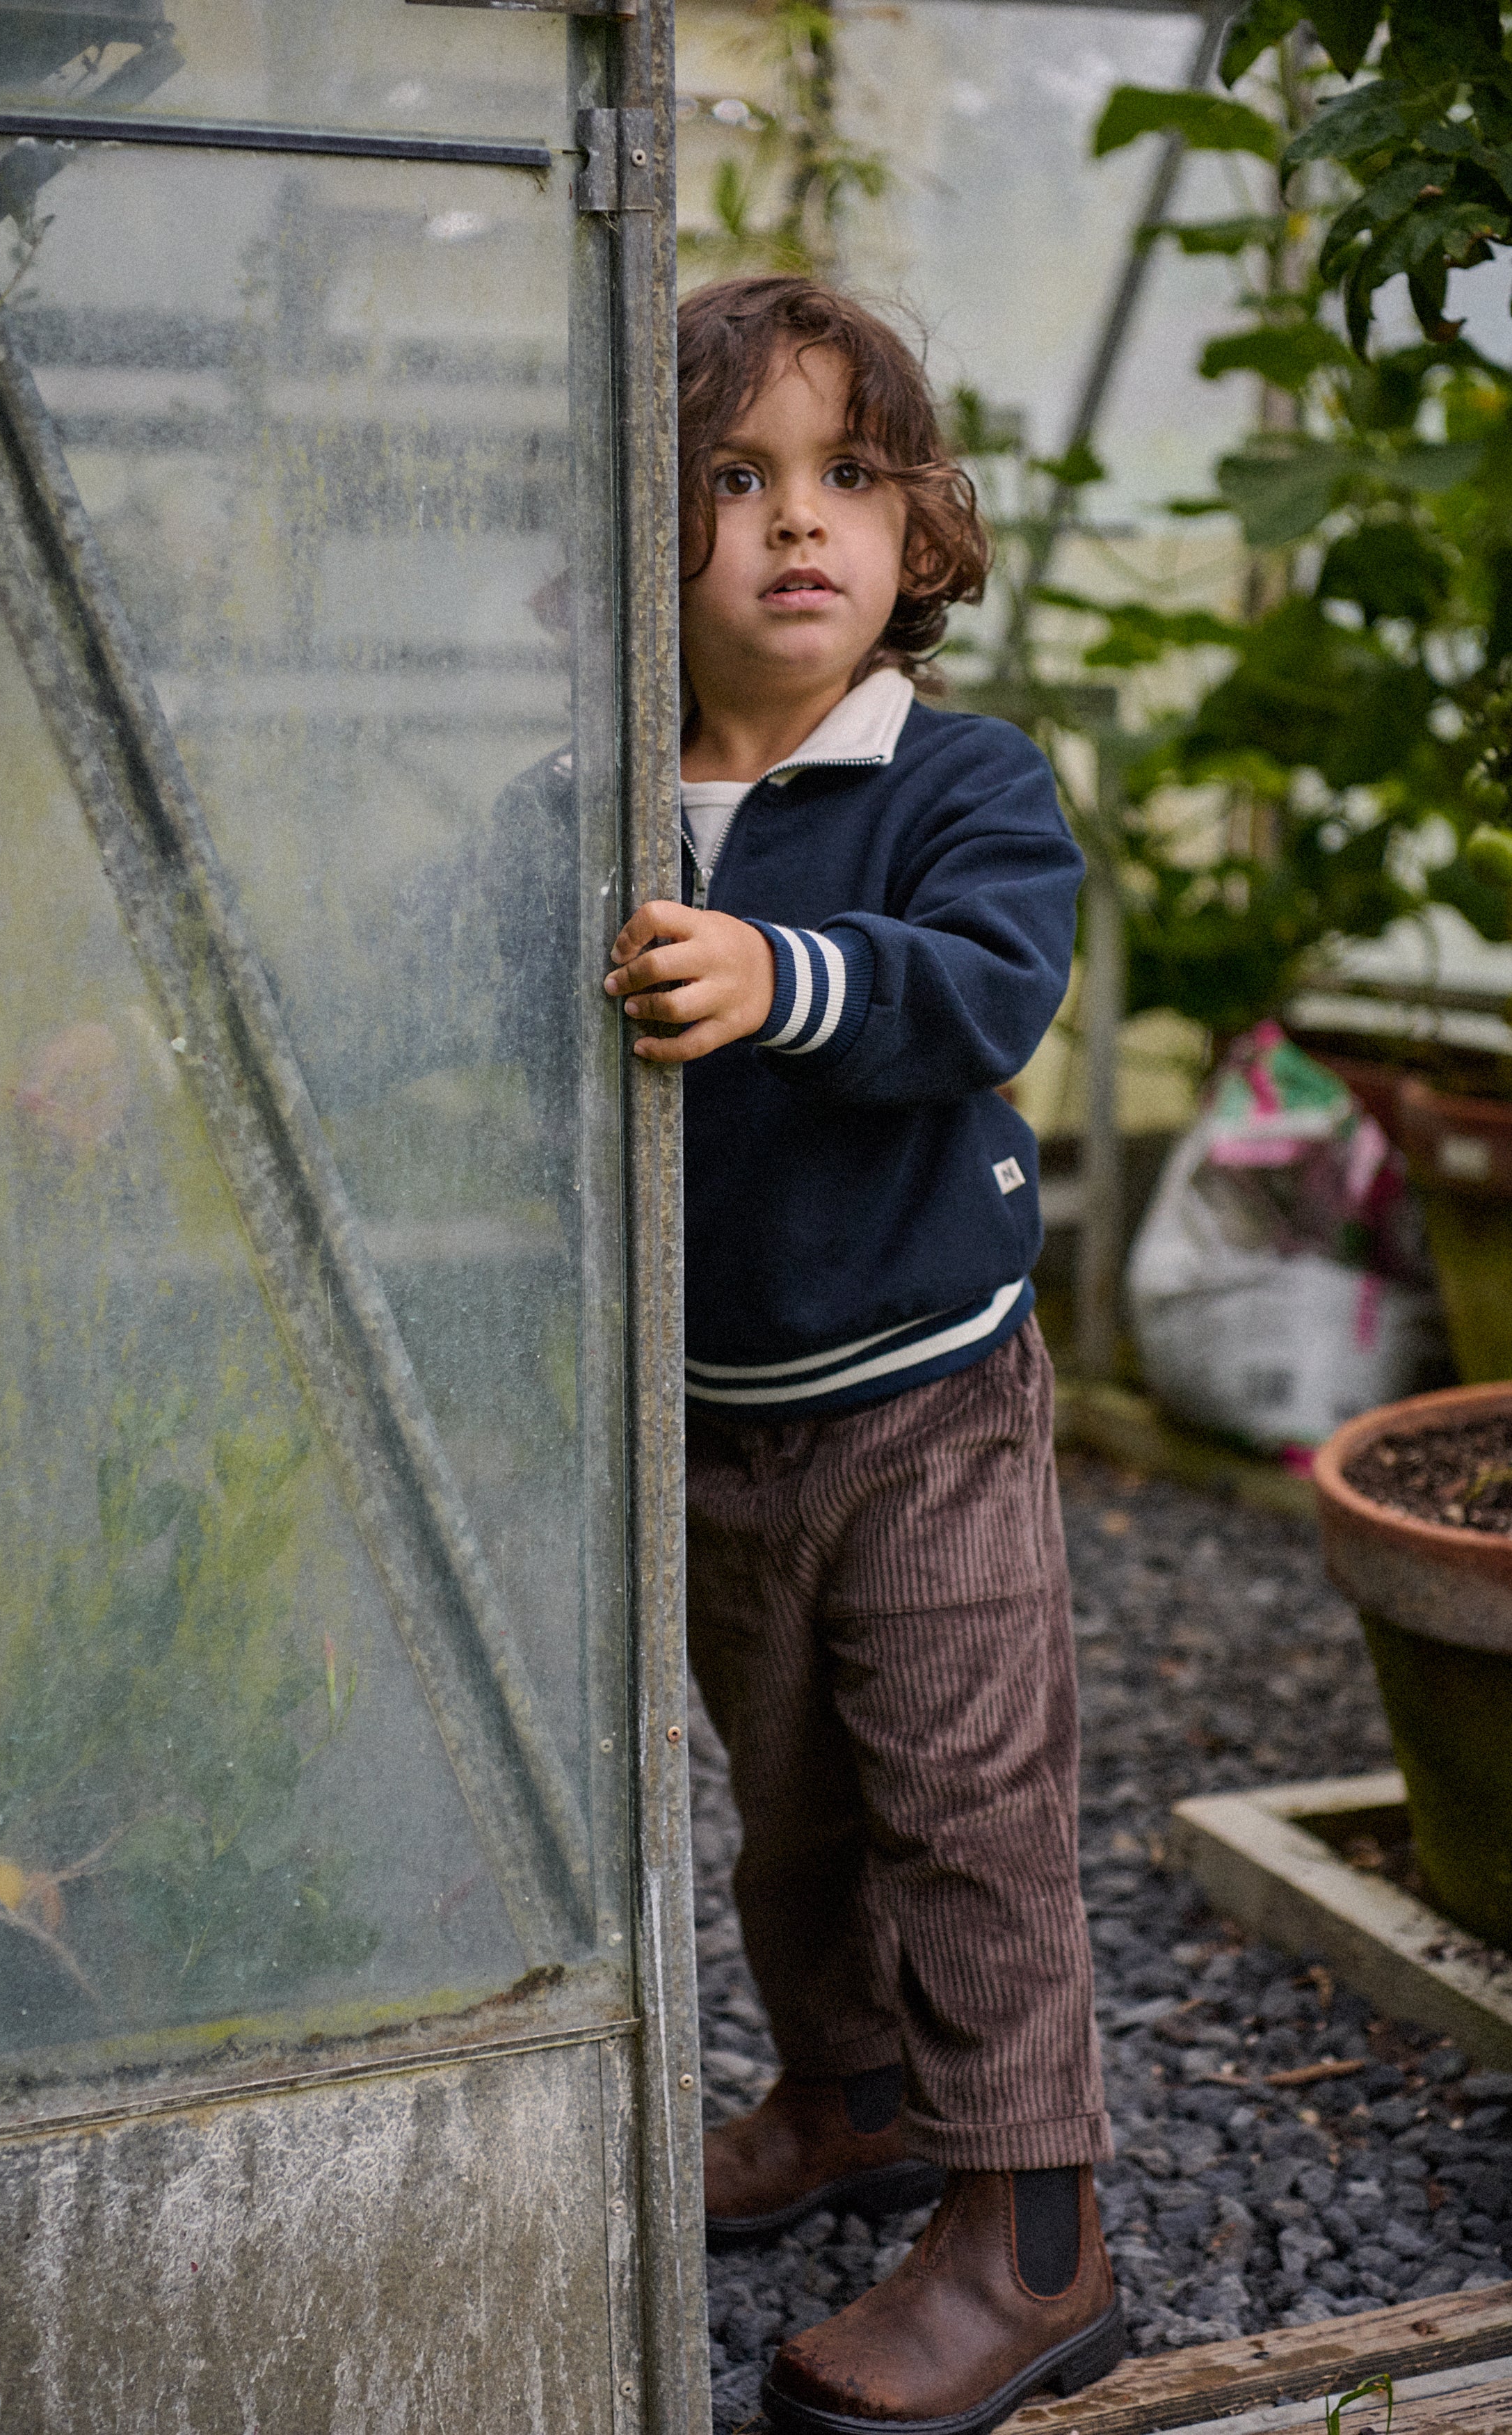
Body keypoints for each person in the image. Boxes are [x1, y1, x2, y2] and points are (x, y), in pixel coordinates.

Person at [603, 277, 1123, 2435]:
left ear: (920, 532)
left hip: (927, 1402)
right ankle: (852, 2098)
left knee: (964, 1807)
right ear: (642, 535)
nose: (793, 523)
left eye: (847, 474)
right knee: (791, 1814)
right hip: (716, 1426)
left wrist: (777, 968)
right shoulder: (606, 798)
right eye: (734, 479)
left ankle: (1037, 2233)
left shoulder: (958, 783)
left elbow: (982, 993)